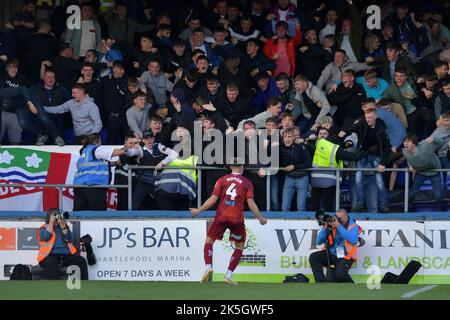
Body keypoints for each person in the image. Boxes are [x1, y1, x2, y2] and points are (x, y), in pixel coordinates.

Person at [190, 160, 267, 285]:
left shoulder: (222, 179)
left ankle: (208, 266)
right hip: (236, 218)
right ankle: (228, 275)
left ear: (231, 167)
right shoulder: (247, 183)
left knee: (209, 241)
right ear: (242, 167)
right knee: (239, 246)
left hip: (221, 216)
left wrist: (198, 210)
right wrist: (261, 219)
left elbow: (213, 199)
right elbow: (251, 203)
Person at [73, 133, 132, 211]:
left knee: (80, 215)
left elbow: (95, 165)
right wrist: (128, 148)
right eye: (100, 140)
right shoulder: (96, 149)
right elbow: (115, 152)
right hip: (94, 188)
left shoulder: (85, 151)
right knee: (98, 216)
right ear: (96, 141)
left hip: (79, 187)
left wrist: (115, 163)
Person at [309, 209, 362, 283]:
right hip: (332, 253)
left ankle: (352, 286)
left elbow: (353, 240)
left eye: (339, 218)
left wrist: (339, 226)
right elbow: (318, 241)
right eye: (337, 217)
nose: (337, 219)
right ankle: (321, 284)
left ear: (345, 218)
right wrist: (325, 228)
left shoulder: (353, 226)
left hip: (346, 256)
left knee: (340, 275)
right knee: (314, 257)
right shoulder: (333, 223)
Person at [37, 208, 88, 280]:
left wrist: (63, 226)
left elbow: (69, 239)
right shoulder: (44, 228)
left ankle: (84, 285)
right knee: (51, 263)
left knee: (81, 261)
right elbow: (46, 237)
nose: (57, 219)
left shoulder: (63, 227)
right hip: (50, 255)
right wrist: (51, 223)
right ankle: (53, 287)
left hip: (66, 256)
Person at [403, 134, 446, 211]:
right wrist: (410, 166)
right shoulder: (405, 151)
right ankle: (408, 210)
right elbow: (409, 159)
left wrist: (433, 139)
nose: (405, 144)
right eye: (405, 142)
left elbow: (441, 142)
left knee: (438, 195)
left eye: (408, 141)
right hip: (421, 172)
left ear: (414, 143)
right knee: (412, 193)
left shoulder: (425, 145)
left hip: (434, 171)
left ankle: (441, 212)